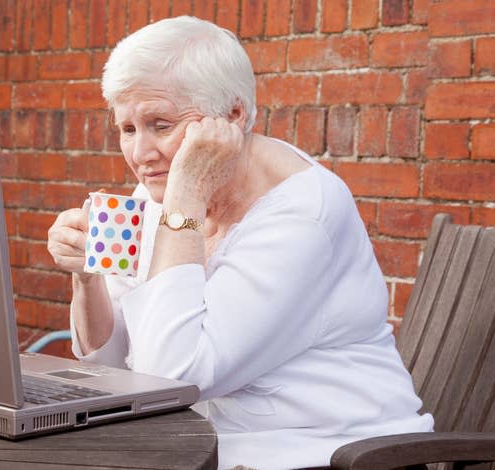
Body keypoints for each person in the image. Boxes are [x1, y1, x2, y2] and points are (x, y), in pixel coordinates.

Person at [46, 16, 433, 470]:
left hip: (330, 453)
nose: (140, 154)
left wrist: (185, 198)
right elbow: (109, 363)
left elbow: (172, 377)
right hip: (210, 450)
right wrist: (85, 277)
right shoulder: (157, 197)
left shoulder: (301, 212)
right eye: (128, 129)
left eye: (160, 124)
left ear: (233, 116)